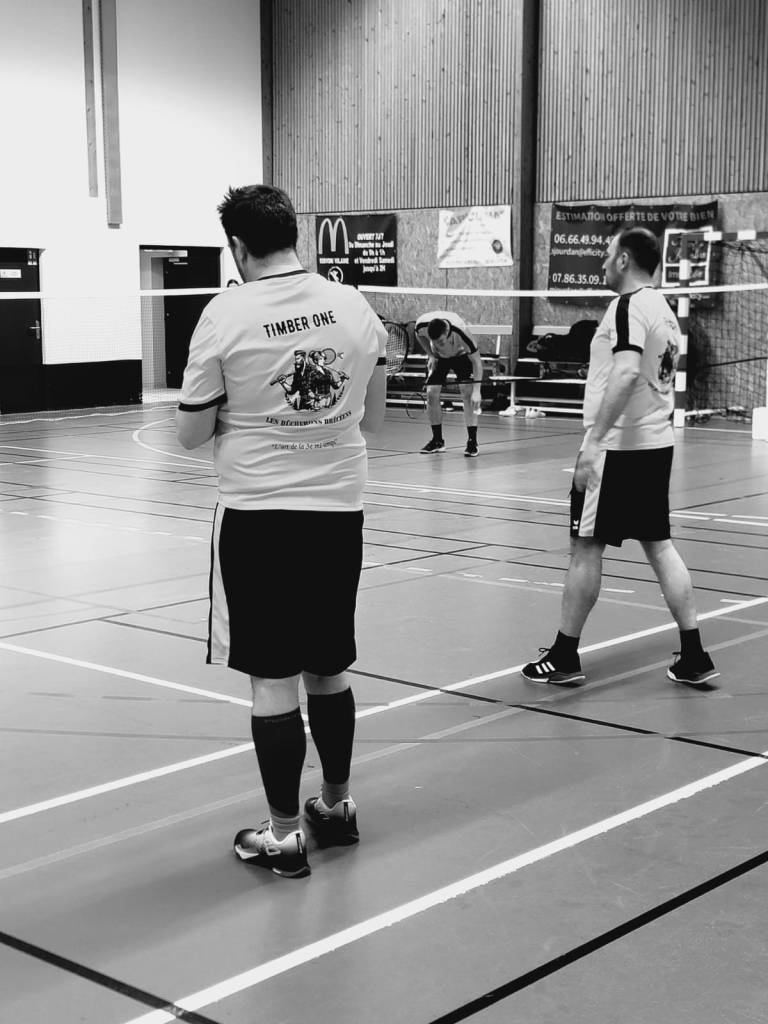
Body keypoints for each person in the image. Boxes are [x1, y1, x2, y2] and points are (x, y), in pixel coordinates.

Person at [176, 184, 387, 878]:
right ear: (294, 234)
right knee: (328, 668)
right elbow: (375, 416)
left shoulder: (224, 314)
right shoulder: (354, 306)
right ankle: (338, 806)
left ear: (238, 246)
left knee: (273, 680)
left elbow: (189, 434)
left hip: (259, 520)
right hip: (338, 515)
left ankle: (285, 835)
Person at [522, 226, 718, 690]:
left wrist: (594, 442)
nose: (603, 262)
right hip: (655, 445)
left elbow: (628, 371)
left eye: (608, 254)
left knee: (586, 547)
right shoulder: (663, 309)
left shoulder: (628, 306)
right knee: (660, 545)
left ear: (625, 259)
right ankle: (693, 654)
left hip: (617, 449)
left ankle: (564, 656)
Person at [414, 310, 484, 457]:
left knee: (467, 392)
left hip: (461, 355)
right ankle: (437, 441)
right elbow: (418, 335)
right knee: (431, 393)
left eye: (441, 342)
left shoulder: (461, 331)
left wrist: (477, 391)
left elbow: (477, 361)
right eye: (434, 342)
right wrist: (431, 354)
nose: (438, 344)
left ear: (447, 332)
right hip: (440, 358)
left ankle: (472, 442)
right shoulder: (422, 325)